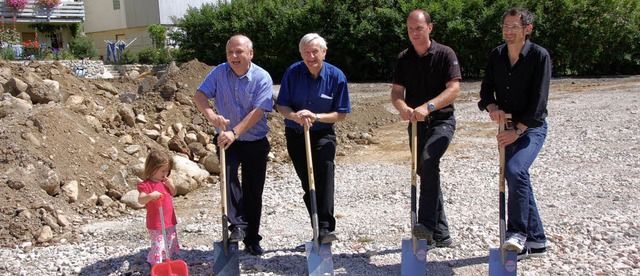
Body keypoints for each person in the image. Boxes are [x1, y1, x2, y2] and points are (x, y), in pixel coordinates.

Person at [478, 7, 550, 260]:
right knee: (519, 177)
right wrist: (492, 107)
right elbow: (485, 91)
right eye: (505, 27)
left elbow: (539, 103)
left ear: (527, 29)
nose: (508, 32)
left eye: (514, 27)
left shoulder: (540, 56)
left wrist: (518, 131)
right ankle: (538, 241)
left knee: (515, 170)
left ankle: (517, 233)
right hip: (506, 127)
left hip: (531, 128)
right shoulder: (496, 55)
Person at [194, 34, 273, 256]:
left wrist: (235, 132)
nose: (234, 56)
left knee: (253, 191)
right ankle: (237, 225)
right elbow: (200, 94)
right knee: (228, 180)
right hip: (226, 140)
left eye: (239, 52)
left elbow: (259, 111)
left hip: (254, 140)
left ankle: (252, 238)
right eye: (230, 52)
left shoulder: (262, 77)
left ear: (250, 54)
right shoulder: (219, 72)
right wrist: (210, 114)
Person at [390, 9, 461, 248]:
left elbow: (454, 90)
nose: (414, 33)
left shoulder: (445, 54)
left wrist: (428, 107)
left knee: (429, 161)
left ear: (430, 28)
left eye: (419, 28)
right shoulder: (404, 58)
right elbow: (397, 93)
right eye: (410, 29)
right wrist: (402, 108)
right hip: (416, 124)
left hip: (441, 120)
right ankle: (441, 235)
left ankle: (426, 225)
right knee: (425, 171)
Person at [276, 33, 351, 246]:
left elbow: (342, 114)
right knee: (307, 182)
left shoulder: (337, 77)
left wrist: (316, 116)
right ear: (301, 54)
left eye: (315, 52)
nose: (311, 56)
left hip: (322, 134)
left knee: (324, 175)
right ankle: (316, 228)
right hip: (296, 133)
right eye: (306, 52)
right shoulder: (293, 72)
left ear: (324, 52)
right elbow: (282, 105)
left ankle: (326, 227)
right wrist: (295, 116)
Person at [137, 149, 180, 266]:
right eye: (163, 170)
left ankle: (167, 260)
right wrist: (151, 196)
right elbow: (141, 200)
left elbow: (174, 192)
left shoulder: (164, 182)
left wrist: (170, 185)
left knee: (170, 240)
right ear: (152, 168)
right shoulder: (146, 185)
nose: (165, 174)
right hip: (156, 222)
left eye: (167, 171)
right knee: (158, 243)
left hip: (169, 219)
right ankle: (155, 263)